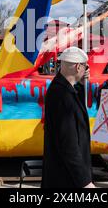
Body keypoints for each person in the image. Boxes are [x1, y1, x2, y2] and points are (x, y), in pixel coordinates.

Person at [42, 47, 95, 188]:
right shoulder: (62, 95)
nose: (87, 70)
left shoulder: (62, 88)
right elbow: (68, 144)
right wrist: (85, 181)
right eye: (86, 66)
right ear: (78, 66)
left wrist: (82, 84)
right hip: (66, 178)